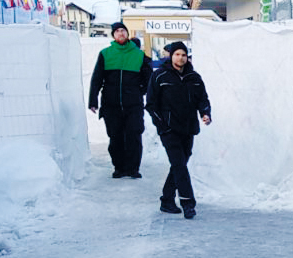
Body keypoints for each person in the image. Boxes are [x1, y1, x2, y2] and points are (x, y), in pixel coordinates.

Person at [145, 41, 211, 219]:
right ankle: (188, 203)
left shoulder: (194, 78)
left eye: (183, 55)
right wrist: (162, 124)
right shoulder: (160, 76)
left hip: (188, 128)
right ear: (171, 56)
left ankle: (167, 200)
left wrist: (205, 113)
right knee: (180, 165)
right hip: (169, 129)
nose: (180, 58)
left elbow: (202, 99)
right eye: (177, 54)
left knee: (179, 165)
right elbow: (151, 104)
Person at [88, 21, 152, 178]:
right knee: (115, 137)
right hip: (111, 104)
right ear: (113, 35)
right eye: (117, 31)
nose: (120, 33)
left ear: (127, 34)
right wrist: (93, 100)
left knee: (134, 136)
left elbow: (149, 78)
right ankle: (119, 167)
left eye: (123, 31)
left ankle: (133, 168)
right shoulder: (105, 54)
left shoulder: (139, 55)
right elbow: (97, 78)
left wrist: (140, 91)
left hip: (133, 104)